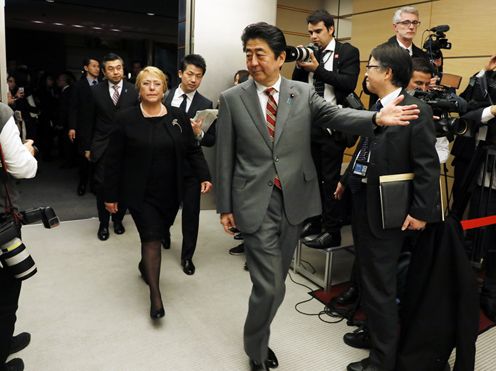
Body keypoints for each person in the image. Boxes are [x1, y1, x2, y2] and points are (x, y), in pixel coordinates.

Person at [215, 22, 420, 371]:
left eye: (260, 54)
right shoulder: (232, 99)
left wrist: (376, 118)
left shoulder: (301, 93)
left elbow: (337, 115)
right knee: (267, 286)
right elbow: (224, 156)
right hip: (253, 200)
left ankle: (259, 333)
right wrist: (224, 207)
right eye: (247, 53)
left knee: (277, 283)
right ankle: (256, 349)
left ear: (280, 58)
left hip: (294, 199)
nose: (252, 61)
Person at [335, 43, 439, 371]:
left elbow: (427, 166)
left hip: (389, 211)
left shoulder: (414, 110)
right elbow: (366, 150)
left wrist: (421, 212)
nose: (366, 72)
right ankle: (374, 333)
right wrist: (347, 177)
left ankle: (382, 361)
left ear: (388, 73)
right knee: (369, 277)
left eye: (371, 66)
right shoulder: (378, 106)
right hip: (365, 204)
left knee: (381, 284)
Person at [103, 66, 212, 319]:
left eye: (156, 84)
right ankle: (155, 296)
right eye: (146, 84)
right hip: (139, 193)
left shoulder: (178, 117)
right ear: (139, 89)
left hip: (171, 191)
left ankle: (144, 267)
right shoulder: (125, 119)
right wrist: (110, 195)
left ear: (164, 88)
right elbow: (113, 160)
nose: (152, 88)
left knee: (160, 232)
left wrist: (204, 175)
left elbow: (192, 150)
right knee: (151, 238)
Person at [292, 9, 360, 249]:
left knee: (329, 180)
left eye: (318, 31)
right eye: (310, 32)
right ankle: (314, 221)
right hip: (309, 125)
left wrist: (317, 70)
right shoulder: (308, 53)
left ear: (331, 29)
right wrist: (302, 64)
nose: (313, 36)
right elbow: (297, 87)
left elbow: (348, 83)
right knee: (310, 178)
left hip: (333, 126)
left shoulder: (348, 52)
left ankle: (333, 230)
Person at [79, 53, 138, 241]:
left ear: (123, 68)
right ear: (104, 72)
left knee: (125, 186)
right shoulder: (95, 91)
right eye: (111, 68)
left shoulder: (133, 90)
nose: (115, 72)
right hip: (102, 146)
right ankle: (103, 224)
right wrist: (87, 147)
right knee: (103, 187)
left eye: (118, 68)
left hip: (128, 147)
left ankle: (118, 220)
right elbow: (87, 121)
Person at [164, 54, 214, 275]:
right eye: (190, 74)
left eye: (199, 76)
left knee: (191, 214)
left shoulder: (206, 104)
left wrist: (199, 132)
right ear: (180, 73)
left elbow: (212, 140)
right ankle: (163, 233)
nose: (194, 80)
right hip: (164, 166)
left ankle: (187, 257)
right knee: (165, 209)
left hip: (191, 168)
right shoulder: (164, 97)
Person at [0, 103, 38, 371]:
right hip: (1, 220)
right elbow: (22, 169)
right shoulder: (1, 114)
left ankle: (3, 340)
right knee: (5, 290)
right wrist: (27, 152)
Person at [363, 6, 429, 109]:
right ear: (395, 27)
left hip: (414, 109)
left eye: (415, 22)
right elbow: (366, 87)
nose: (411, 27)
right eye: (406, 22)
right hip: (384, 109)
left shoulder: (423, 55)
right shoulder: (381, 52)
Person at [407, 57, 450, 164]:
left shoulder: (433, 108)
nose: (423, 89)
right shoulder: (391, 104)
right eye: (418, 83)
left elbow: (443, 152)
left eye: (427, 84)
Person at [68, 57, 100, 196]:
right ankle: (82, 183)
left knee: (97, 156)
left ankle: (94, 184)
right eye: (94, 66)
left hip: (100, 126)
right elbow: (73, 108)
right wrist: (72, 127)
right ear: (86, 68)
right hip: (84, 126)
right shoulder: (78, 85)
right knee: (84, 157)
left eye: (98, 66)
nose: (97, 69)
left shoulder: (103, 84)